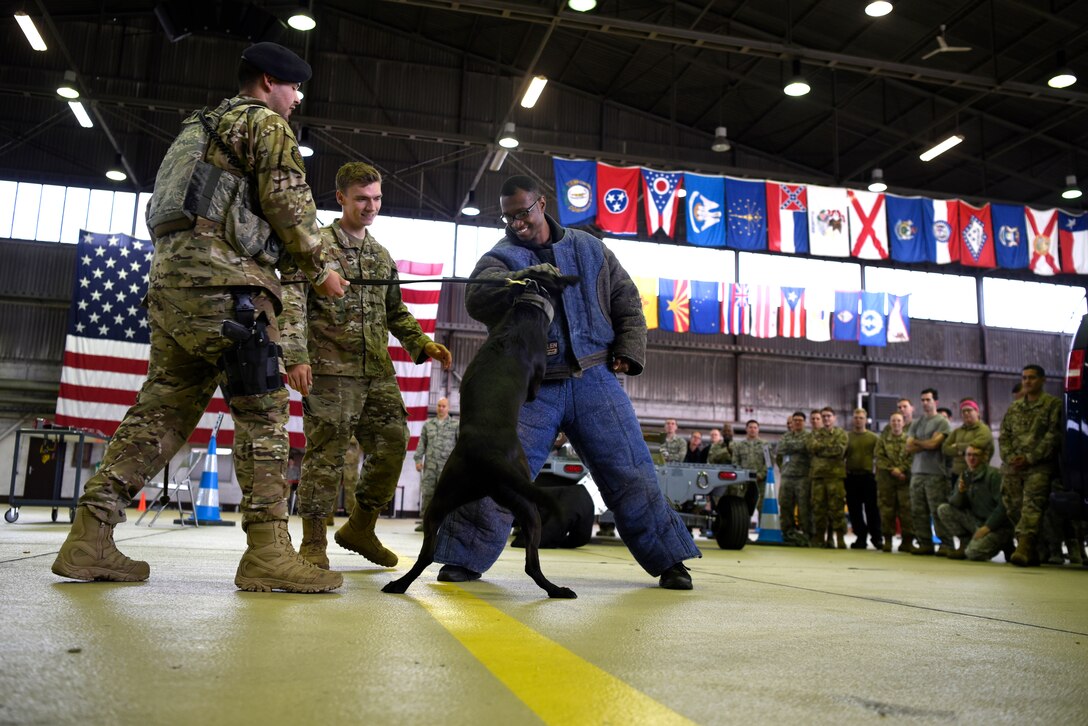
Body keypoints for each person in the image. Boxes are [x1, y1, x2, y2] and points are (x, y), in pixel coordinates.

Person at [51, 42, 350, 592]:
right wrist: (320, 265)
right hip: (229, 292)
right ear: (267, 81)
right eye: (293, 87)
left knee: (162, 410)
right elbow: (288, 203)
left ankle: (89, 536)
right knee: (262, 413)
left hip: (171, 287)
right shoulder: (264, 123)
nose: (297, 98)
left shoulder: (196, 129)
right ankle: (267, 551)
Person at [432, 175, 701, 590]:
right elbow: (476, 298)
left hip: (596, 378)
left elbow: (627, 299)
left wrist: (629, 350)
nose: (517, 224)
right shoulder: (501, 256)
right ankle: (462, 558)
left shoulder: (590, 248)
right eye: (508, 218)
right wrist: (512, 284)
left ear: (541, 203)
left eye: (523, 214)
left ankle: (670, 561)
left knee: (631, 471)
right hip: (532, 386)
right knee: (498, 468)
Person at [281, 161, 453, 570]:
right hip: (329, 371)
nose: (371, 205)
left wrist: (422, 343)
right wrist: (295, 356)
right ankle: (313, 545)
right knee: (326, 457)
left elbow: (396, 311)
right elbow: (292, 304)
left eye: (376, 197)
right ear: (340, 198)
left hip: (376, 372)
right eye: (362, 198)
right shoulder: (314, 247)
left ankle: (360, 526)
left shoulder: (380, 255)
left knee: (394, 442)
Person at [999, 364, 1062, 567]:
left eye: (1032, 378)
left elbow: (1053, 435)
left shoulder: (1053, 405)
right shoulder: (1015, 407)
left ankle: (1024, 547)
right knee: (1013, 507)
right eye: (1024, 378)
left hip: (1038, 466)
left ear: (1043, 380)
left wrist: (1030, 457)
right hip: (1013, 467)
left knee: (1031, 507)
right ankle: (1032, 550)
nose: (1027, 381)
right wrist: (1010, 457)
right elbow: (1004, 435)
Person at [936, 445, 1012, 561]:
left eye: (975, 455)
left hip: (996, 526)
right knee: (944, 509)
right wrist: (961, 493)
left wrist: (987, 528)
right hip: (976, 522)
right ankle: (965, 543)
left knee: (973, 553)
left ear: (983, 457)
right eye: (969, 455)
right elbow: (956, 505)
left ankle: (1006, 544)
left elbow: (1004, 506)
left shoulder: (994, 475)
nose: (971, 458)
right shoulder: (965, 475)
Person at [906, 388, 953, 556]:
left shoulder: (942, 422)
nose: (925, 403)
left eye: (928, 400)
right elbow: (909, 447)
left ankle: (946, 543)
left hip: (936, 474)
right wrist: (926, 442)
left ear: (936, 402)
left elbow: (935, 445)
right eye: (923, 400)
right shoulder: (916, 423)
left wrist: (921, 443)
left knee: (937, 510)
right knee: (918, 510)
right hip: (917, 472)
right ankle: (925, 543)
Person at [413, 397, 458, 531]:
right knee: (428, 494)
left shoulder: (455, 425)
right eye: (439, 406)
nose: (441, 408)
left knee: (447, 495)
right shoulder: (428, 425)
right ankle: (425, 522)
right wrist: (418, 460)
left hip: (447, 468)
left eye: (444, 406)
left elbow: (460, 446)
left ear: (448, 408)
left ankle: (445, 524)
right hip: (430, 467)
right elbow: (422, 444)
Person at [808, 407, 848, 549]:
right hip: (818, 477)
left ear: (834, 418)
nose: (826, 419)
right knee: (819, 508)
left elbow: (839, 451)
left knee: (836, 508)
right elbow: (812, 448)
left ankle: (840, 538)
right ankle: (820, 538)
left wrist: (822, 449)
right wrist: (829, 448)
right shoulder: (814, 434)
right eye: (823, 416)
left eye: (828, 416)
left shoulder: (841, 433)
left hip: (835, 477)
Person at [845, 408, 882, 550]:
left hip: (868, 477)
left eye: (861, 418)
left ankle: (877, 538)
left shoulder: (873, 438)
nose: (858, 420)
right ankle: (860, 538)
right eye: (855, 417)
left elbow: (879, 458)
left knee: (872, 509)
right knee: (854, 510)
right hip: (851, 477)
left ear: (865, 420)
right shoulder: (847, 437)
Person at [876, 412, 912, 552]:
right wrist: (893, 470)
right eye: (893, 421)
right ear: (890, 423)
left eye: (898, 421)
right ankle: (888, 541)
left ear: (903, 423)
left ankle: (907, 541)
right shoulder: (883, 439)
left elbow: (912, 457)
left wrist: (901, 469)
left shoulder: (909, 439)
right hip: (887, 480)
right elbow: (879, 456)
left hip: (905, 480)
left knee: (906, 510)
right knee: (887, 510)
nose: (896, 423)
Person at [775, 411, 811, 541]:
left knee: (804, 507)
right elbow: (780, 451)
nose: (797, 422)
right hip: (787, 476)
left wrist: (793, 447)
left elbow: (805, 447)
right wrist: (783, 468)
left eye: (800, 420)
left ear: (804, 422)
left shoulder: (809, 436)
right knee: (785, 505)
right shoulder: (785, 436)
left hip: (803, 476)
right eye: (795, 420)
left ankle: (807, 533)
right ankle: (787, 533)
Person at [941, 399, 994, 482]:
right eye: (963, 411)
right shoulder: (957, 431)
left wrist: (957, 446)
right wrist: (962, 452)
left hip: (977, 474)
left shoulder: (984, 430)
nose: (965, 413)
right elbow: (945, 448)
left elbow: (977, 445)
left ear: (977, 412)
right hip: (957, 474)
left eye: (969, 410)